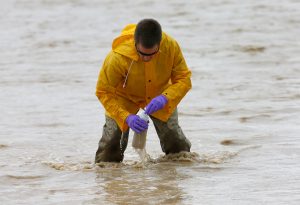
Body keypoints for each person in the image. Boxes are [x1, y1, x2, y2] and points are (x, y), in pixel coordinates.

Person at [95, 19, 192, 163]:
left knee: (177, 145)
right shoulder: (116, 57)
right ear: (135, 43)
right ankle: (109, 178)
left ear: (160, 44)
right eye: (142, 54)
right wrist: (126, 117)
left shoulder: (171, 46)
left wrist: (165, 98)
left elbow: (184, 79)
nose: (147, 58)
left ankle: (173, 178)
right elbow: (103, 91)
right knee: (110, 146)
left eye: (152, 54)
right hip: (124, 97)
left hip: (160, 95)